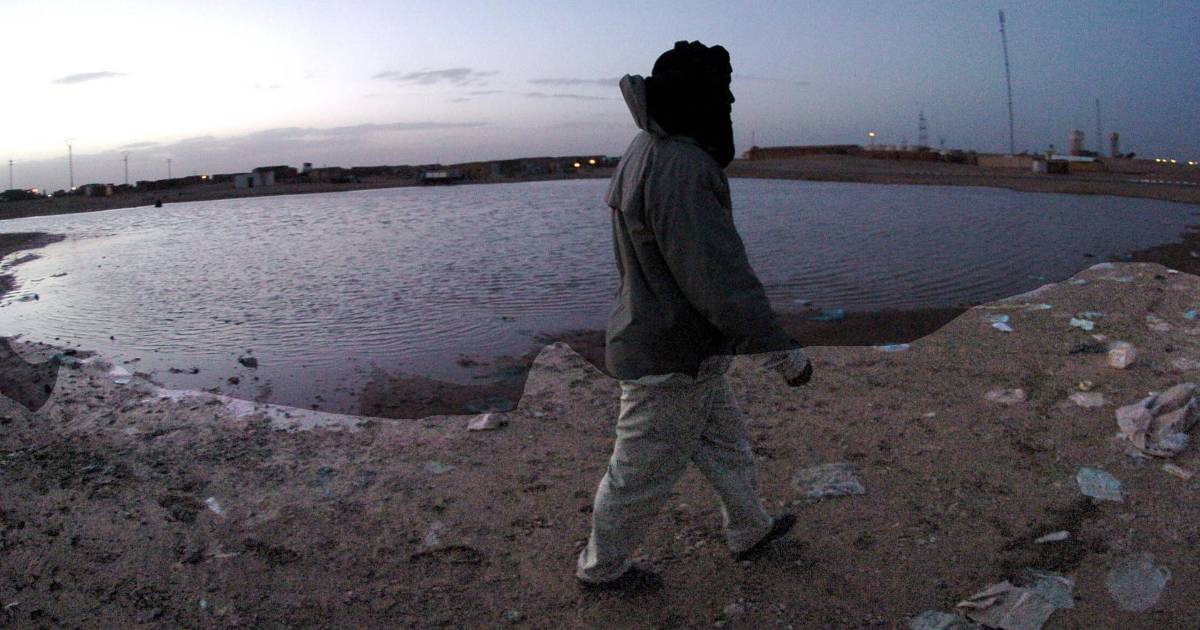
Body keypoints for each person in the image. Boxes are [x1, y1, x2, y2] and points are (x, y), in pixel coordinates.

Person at [576, 41, 813, 592]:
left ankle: (750, 529)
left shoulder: (645, 147)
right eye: (721, 94)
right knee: (638, 472)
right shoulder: (682, 165)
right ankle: (601, 570)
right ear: (696, 98)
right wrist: (781, 352)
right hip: (669, 354)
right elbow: (718, 277)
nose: (728, 104)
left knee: (726, 447)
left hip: (687, 349)